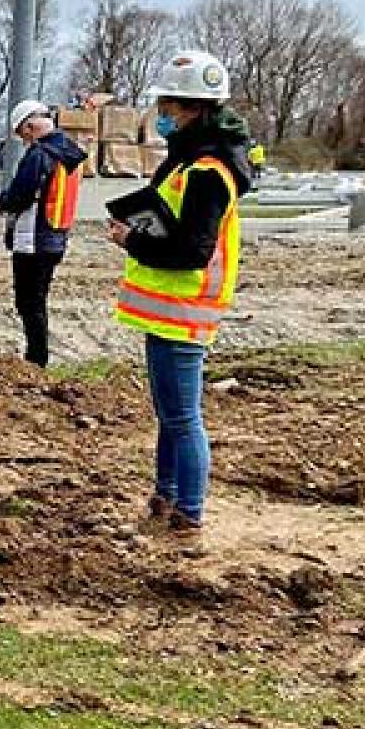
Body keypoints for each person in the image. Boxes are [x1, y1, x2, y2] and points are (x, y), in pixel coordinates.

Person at [106, 51, 252, 546]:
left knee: (183, 417)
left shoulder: (207, 171)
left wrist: (133, 240)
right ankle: (166, 497)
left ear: (189, 108)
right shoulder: (190, 160)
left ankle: (188, 514)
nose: (160, 113)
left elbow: (192, 250)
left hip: (184, 310)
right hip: (170, 311)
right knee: (171, 413)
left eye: (166, 103)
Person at [0, 100, 86, 368]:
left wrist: (1, 203)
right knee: (38, 299)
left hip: (33, 236)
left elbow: (22, 194)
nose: (24, 142)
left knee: (28, 301)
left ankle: (36, 360)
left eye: (22, 135)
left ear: (30, 127)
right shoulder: (71, 153)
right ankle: (37, 358)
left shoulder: (39, 154)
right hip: (56, 234)